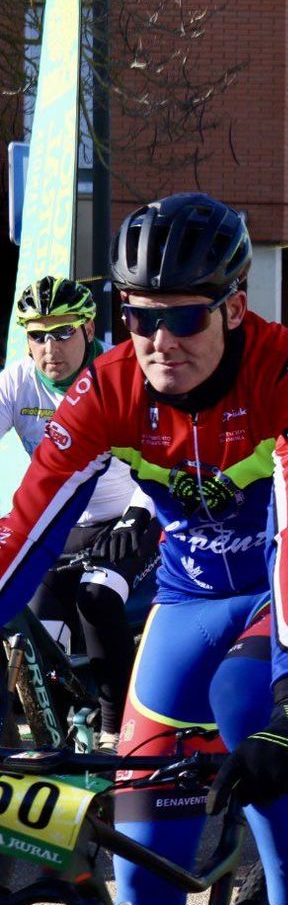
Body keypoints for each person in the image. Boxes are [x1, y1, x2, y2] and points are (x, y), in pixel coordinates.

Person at [0, 194, 288, 905]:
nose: (159, 340)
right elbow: (24, 529)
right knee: (138, 866)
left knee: (247, 696)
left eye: (183, 317)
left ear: (234, 307)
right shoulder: (108, 387)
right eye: (140, 318)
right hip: (193, 593)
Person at [0, 276, 158, 747]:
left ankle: (115, 732)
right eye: (38, 335)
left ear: (89, 330)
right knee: (32, 631)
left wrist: (136, 515)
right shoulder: (17, 380)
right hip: (62, 523)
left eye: (64, 332)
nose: (50, 348)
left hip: (128, 517)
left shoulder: (123, 375)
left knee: (97, 598)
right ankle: (59, 739)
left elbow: (161, 460)